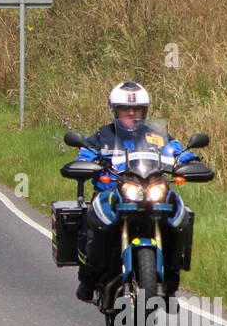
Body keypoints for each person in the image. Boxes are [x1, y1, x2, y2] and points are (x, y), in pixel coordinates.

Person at [74, 81, 197, 304]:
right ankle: (88, 278)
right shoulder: (102, 137)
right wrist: (85, 163)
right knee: (92, 216)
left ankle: (170, 281)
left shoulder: (158, 138)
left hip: (151, 192)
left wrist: (190, 160)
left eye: (137, 109)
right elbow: (85, 155)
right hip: (113, 193)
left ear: (145, 111)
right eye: (125, 109)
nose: (132, 113)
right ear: (115, 111)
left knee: (180, 213)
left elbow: (178, 152)